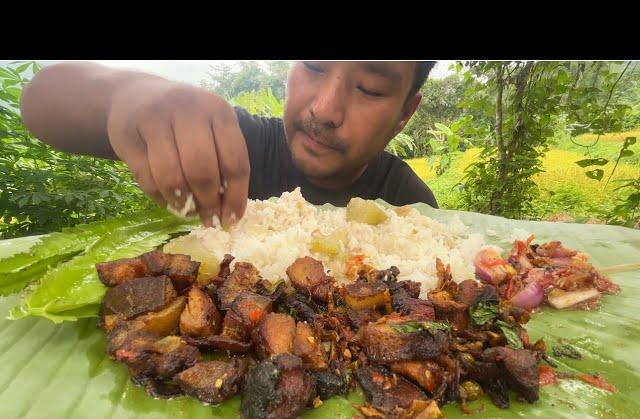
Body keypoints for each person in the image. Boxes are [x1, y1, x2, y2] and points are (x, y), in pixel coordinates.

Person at [20, 60, 439, 228]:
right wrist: (125, 97)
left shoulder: (411, 207)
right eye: (313, 64)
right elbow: (40, 102)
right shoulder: (232, 142)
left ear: (405, 113)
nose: (326, 109)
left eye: (368, 88)